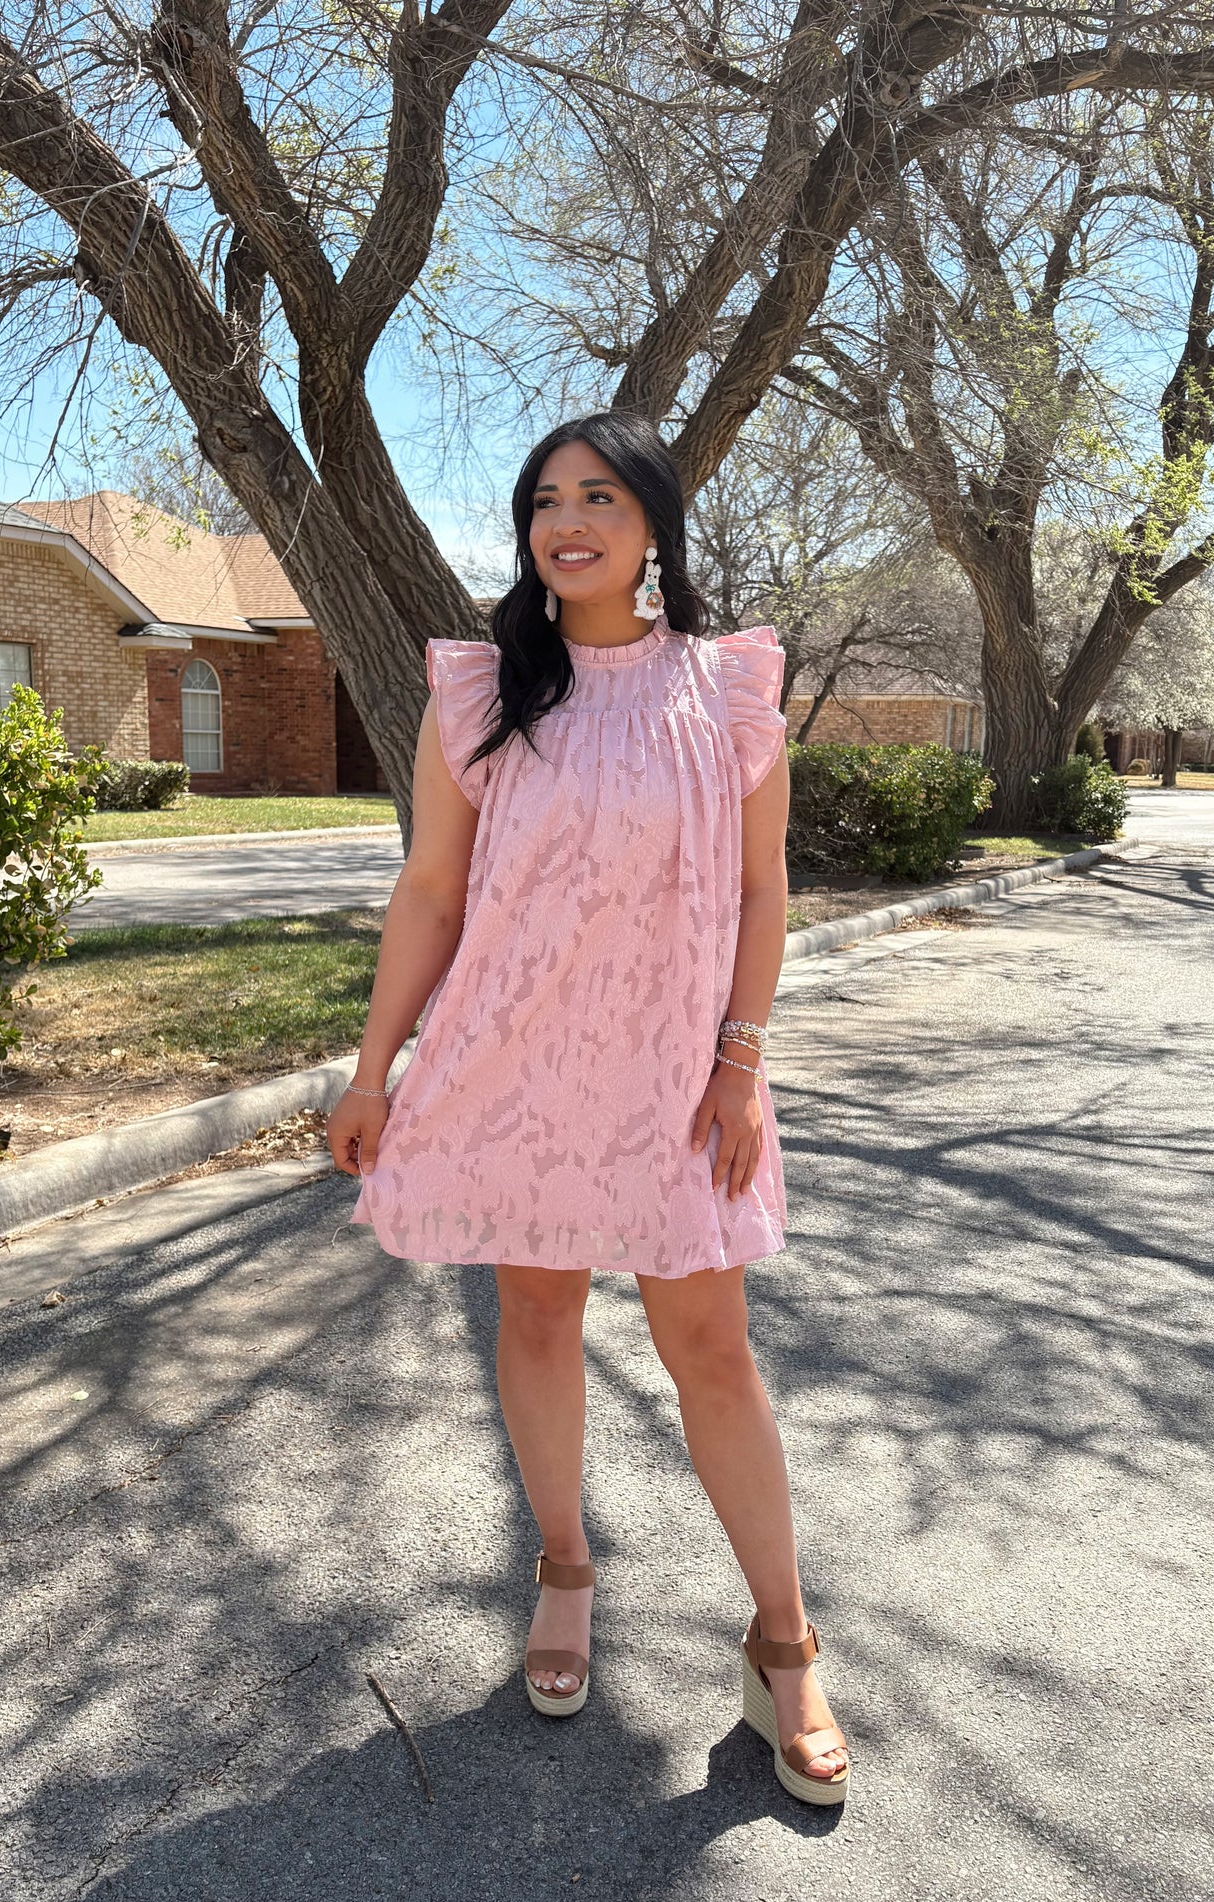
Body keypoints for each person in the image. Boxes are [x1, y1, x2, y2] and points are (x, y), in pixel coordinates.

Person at [327, 411, 849, 1804]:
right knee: (540, 1313)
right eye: (546, 499)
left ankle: (784, 1640)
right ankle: (564, 1568)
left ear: (653, 525)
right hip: (516, 1068)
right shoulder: (480, 691)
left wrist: (741, 1062)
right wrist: (373, 1069)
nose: (569, 520)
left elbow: (761, 890)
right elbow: (431, 891)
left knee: (712, 1349)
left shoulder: (727, 688)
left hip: (678, 1078)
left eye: (601, 496)